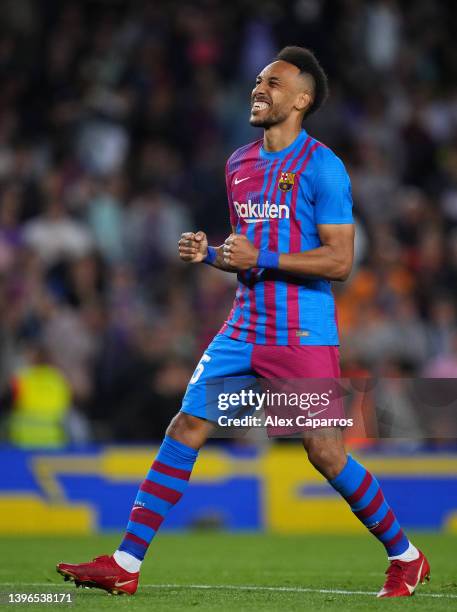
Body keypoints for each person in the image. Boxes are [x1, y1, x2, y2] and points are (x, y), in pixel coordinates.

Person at [57, 46, 430, 598]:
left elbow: (340, 261)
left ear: (302, 100)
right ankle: (126, 564)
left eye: (274, 84)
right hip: (243, 328)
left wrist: (261, 259)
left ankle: (407, 556)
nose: (260, 89)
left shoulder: (323, 166)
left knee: (326, 453)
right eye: (258, 80)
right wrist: (210, 252)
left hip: (301, 332)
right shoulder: (238, 164)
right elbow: (244, 253)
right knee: (185, 426)